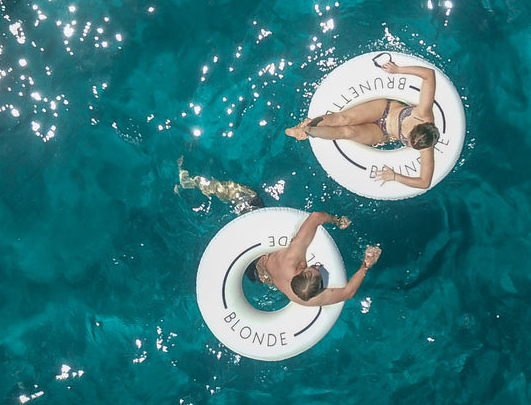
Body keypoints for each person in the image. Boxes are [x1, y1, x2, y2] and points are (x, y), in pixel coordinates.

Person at [176, 160, 381, 306]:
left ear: (301, 270)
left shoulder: (295, 260)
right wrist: (365, 266)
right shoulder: (302, 299)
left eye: (314, 269)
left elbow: (317, 216)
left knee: (248, 196)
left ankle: (191, 181)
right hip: (255, 275)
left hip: (256, 256)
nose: (317, 265)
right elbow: (348, 292)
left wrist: (337, 221)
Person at [285, 58, 442, 190]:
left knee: (348, 132)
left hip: (382, 133)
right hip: (384, 110)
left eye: (411, 143)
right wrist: (398, 70)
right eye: (411, 135)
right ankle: (303, 128)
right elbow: (429, 75)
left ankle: (309, 131)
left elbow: (424, 182)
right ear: (418, 126)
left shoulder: (426, 147)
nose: (408, 138)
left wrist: (395, 176)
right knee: (343, 119)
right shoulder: (423, 113)